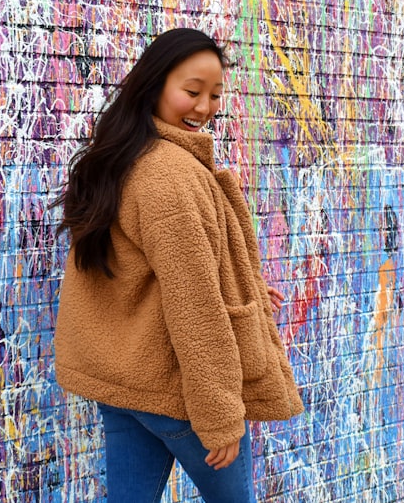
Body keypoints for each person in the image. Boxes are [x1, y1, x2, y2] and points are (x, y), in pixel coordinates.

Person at [53, 28, 303, 502]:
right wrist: (220, 415)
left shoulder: (126, 156)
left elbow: (145, 269)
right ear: (154, 85)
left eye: (213, 95)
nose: (204, 108)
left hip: (125, 386)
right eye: (191, 92)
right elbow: (194, 305)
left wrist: (241, 283)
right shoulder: (170, 176)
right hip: (179, 392)